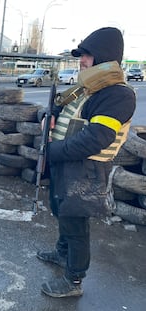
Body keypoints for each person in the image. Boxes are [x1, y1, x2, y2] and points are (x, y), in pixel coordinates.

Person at [37, 27, 136, 298]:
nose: (81, 60)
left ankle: (74, 280)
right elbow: (57, 107)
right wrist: (46, 116)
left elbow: (96, 139)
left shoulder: (117, 94)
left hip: (87, 169)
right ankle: (62, 253)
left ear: (104, 57)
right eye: (81, 54)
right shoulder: (87, 87)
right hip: (66, 163)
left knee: (76, 223)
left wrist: (52, 152)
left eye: (87, 55)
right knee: (61, 211)